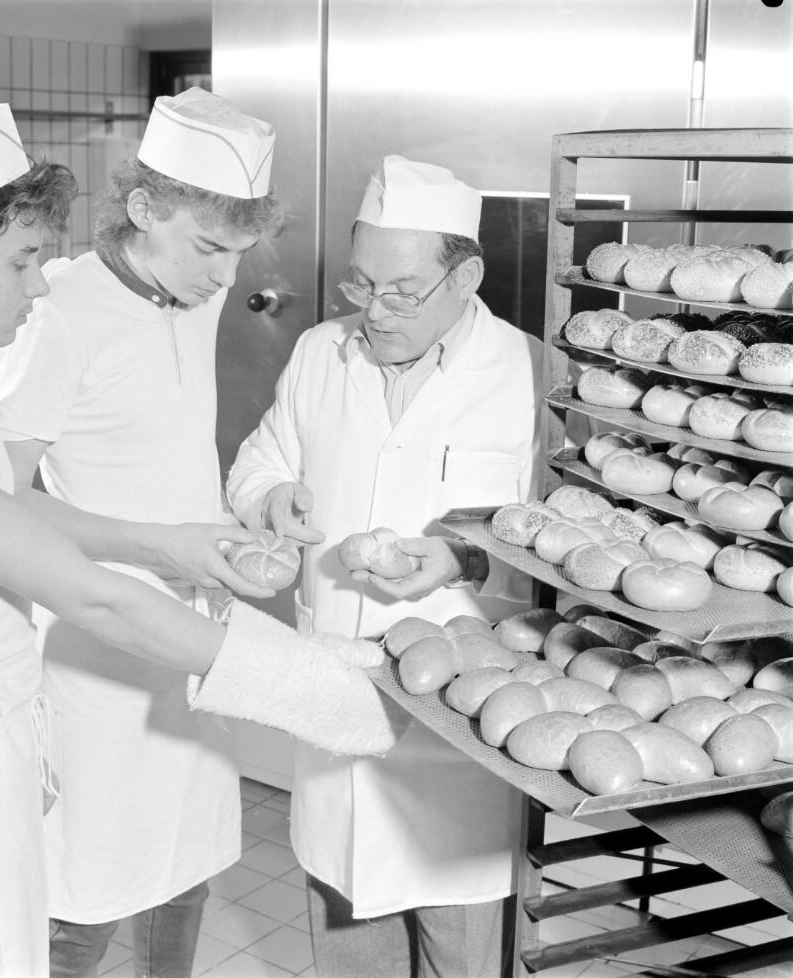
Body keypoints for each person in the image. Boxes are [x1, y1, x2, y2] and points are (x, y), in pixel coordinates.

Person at [0, 104, 398, 978]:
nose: (39, 285)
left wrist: (176, 548)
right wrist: (300, 679)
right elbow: (94, 596)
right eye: (22, 261)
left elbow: (4, 513)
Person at [0, 87, 290, 978]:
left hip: (193, 633)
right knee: (87, 888)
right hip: (98, 647)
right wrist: (159, 545)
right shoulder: (58, 312)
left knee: (184, 866)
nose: (225, 278)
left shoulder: (190, 296)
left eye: (238, 253)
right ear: (145, 208)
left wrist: (236, 526)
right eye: (209, 247)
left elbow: (164, 457)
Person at [227, 155, 544, 978]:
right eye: (361, 285)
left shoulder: (533, 375)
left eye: (403, 292)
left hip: (459, 726)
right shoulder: (319, 351)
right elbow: (258, 461)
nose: (373, 311)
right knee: (346, 930)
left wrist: (463, 558)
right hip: (334, 698)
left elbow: (562, 547)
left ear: (465, 278)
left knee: (462, 945)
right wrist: (274, 497)